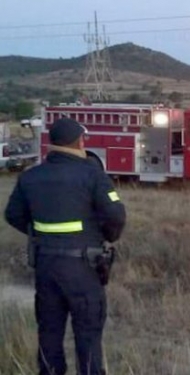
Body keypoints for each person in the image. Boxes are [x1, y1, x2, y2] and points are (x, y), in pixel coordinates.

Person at [4, 117, 126, 375]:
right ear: (79, 142)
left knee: (49, 333)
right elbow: (115, 215)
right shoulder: (93, 174)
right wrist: (105, 236)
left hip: (46, 268)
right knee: (88, 335)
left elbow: (13, 214)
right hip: (84, 269)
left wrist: (40, 233)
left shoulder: (30, 177)